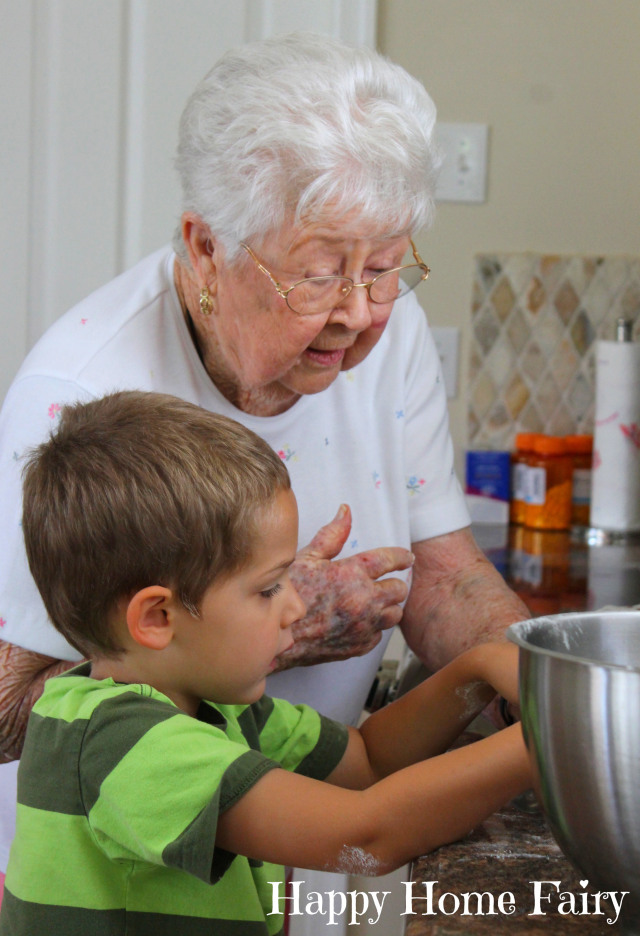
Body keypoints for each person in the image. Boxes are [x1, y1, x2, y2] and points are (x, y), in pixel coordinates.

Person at [0, 391, 530, 935]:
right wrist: (556, 740)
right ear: (157, 618)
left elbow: (370, 761)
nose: (297, 606)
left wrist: (478, 667)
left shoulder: (211, 708)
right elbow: (366, 838)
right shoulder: (121, 744)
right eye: (270, 588)